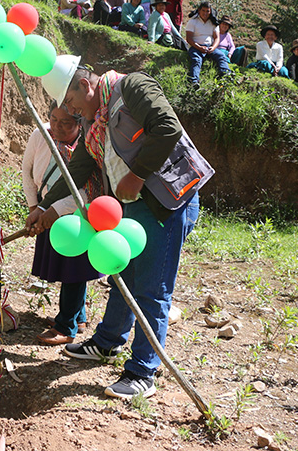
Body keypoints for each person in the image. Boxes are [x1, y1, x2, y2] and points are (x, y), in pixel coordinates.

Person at [27, 57, 209, 400]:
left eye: (70, 101)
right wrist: (46, 209)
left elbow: (167, 128)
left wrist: (137, 174)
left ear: (85, 85)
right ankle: (108, 342)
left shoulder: (133, 87)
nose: (72, 110)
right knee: (122, 276)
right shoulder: (95, 124)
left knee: (152, 288)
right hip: (131, 208)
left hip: (166, 203)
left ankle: (143, 371)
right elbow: (78, 169)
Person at [22, 102, 102, 345]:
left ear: (80, 124)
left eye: (65, 123)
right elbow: (27, 170)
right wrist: (35, 206)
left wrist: (54, 210)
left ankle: (65, 326)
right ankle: (78, 316)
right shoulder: (40, 134)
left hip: (77, 213)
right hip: (47, 208)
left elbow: (88, 189)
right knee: (68, 268)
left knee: (74, 269)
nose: (56, 127)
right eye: (53, 120)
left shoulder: (90, 146)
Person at [184, 1, 231, 84]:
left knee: (221, 56)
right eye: (203, 11)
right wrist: (199, 47)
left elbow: (217, 38)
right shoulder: (193, 21)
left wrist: (212, 48)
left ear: (210, 11)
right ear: (199, 10)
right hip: (195, 47)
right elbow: (189, 38)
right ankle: (194, 81)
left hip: (209, 47)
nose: (205, 13)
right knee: (197, 60)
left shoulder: (213, 23)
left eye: (207, 11)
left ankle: (226, 75)